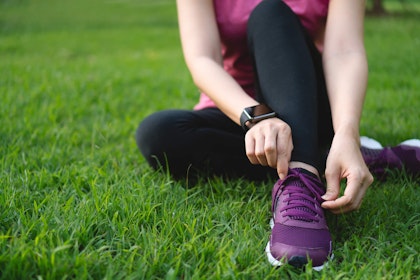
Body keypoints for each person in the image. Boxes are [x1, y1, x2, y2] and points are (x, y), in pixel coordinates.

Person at [136, 0, 419, 270]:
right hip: (241, 108)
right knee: (159, 134)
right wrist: (257, 118)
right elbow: (202, 60)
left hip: (310, 108)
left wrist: (346, 132)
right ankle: (331, 159)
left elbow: (345, 51)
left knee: (270, 11)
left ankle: (301, 178)